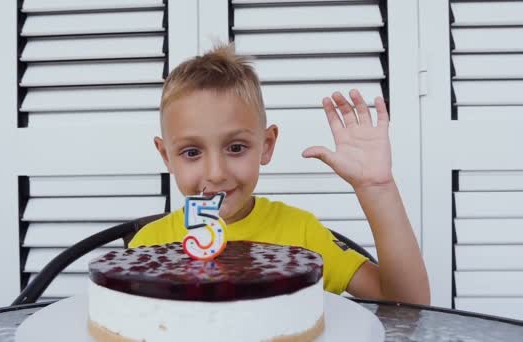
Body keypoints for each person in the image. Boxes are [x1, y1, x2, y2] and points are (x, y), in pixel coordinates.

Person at [129, 44, 430, 305]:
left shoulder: (301, 234)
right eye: (192, 152)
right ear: (166, 156)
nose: (216, 173)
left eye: (235, 147)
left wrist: (378, 189)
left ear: (266, 145)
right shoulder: (148, 247)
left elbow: (408, 302)